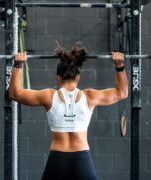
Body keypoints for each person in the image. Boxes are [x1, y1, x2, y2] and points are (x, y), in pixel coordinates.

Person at [9, 43, 128, 180]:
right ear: (78, 77)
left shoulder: (48, 96)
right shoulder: (90, 96)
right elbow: (122, 92)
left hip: (57, 161)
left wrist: (18, 65)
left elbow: (15, 94)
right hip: (82, 160)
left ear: (58, 78)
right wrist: (120, 66)